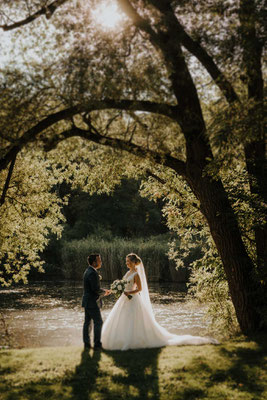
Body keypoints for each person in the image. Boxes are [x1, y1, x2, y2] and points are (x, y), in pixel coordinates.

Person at [101, 253, 218, 350]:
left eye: (128, 261)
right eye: (126, 261)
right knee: (122, 319)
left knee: (133, 320)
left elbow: (139, 289)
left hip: (132, 299)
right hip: (124, 299)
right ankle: (120, 339)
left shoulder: (136, 274)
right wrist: (114, 289)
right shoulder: (128, 273)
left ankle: (133, 341)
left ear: (133, 262)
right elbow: (123, 283)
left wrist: (129, 293)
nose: (127, 263)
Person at [82, 253, 111, 350]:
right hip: (92, 301)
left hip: (87, 301)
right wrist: (105, 292)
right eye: (99, 260)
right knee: (98, 322)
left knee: (87, 323)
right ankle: (97, 345)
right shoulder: (93, 273)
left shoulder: (88, 271)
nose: (101, 262)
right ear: (94, 262)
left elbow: (93, 288)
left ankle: (87, 344)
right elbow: (95, 289)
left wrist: (103, 291)